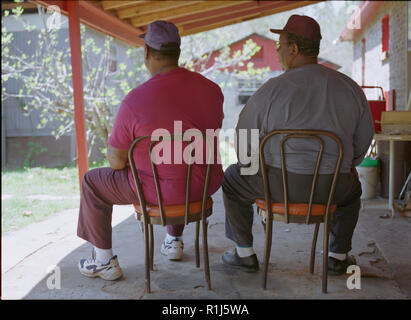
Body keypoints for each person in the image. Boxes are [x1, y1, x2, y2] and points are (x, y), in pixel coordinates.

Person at [221, 15, 374, 275]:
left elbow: (245, 139)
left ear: (293, 49)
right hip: (332, 186)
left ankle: (244, 253)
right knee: (353, 191)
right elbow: (362, 143)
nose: (278, 51)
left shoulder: (270, 90)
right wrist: (341, 168)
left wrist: (254, 170)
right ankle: (337, 256)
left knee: (232, 180)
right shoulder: (350, 87)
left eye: (279, 46)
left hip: (275, 186)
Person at [77, 20, 224, 280]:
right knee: (179, 167)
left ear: (146, 53)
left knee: (92, 181)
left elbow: (115, 161)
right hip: (201, 185)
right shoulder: (212, 90)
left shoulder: (134, 100)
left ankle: (103, 260)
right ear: (178, 51)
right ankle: (173, 241)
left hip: (156, 191)